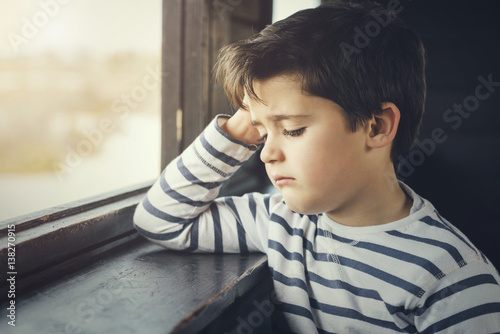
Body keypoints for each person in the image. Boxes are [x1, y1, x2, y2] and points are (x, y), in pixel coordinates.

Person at [133, 0, 500, 332]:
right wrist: (241, 125)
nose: (265, 153)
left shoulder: (453, 278)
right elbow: (161, 220)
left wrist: (264, 116)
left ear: (377, 126)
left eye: (293, 130)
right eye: (261, 134)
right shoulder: (280, 222)